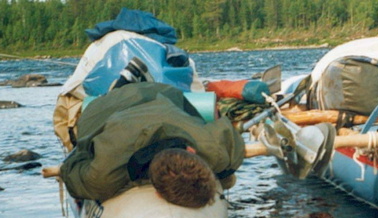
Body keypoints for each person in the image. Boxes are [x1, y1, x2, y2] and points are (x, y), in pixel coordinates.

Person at [58, 82, 244, 208]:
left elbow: (230, 138)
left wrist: (223, 174)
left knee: (227, 178)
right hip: (107, 107)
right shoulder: (103, 176)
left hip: (163, 93)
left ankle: (127, 81)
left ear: (191, 151)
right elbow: (71, 166)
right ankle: (121, 84)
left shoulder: (216, 150)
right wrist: (84, 150)